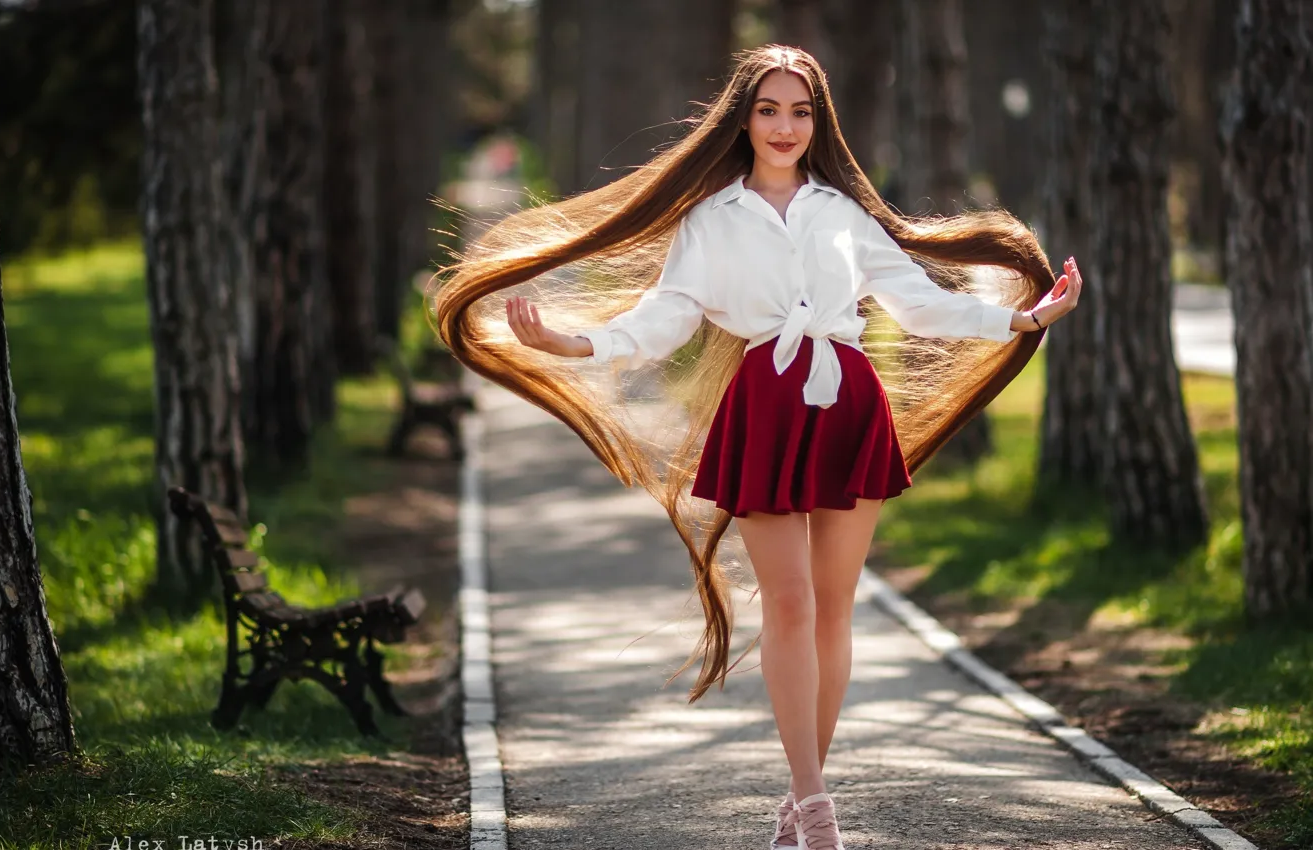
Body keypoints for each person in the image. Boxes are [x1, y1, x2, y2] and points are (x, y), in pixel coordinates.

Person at [437, 45, 1081, 850]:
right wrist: (573, 343)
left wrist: (1022, 321)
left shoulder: (844, 212)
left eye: (801, 111)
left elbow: (919, 306)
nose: (785, 126)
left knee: (837, 608)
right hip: (765, 405)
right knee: (789, 602)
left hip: (847, 399)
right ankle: (814, 803)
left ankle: (802, 792)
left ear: (820, 122)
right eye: (770, 109)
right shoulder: (709, 220)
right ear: (743, 118)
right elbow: (663, 322)